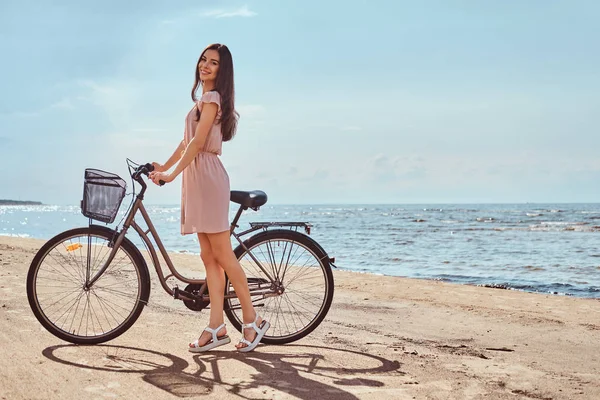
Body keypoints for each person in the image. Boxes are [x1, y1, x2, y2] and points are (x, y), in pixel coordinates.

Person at [149, 43, 270, 353]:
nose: (205, 65)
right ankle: (216, 327)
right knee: (209, 257)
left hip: (208, 177)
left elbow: (199, 142)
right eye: (203, 59)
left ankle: (252, 319)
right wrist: (164, 165)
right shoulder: (202, 101)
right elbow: (187, 140)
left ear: (222, 70)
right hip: (198, 176)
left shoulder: (212, 98)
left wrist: (171, 175)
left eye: (213, 63)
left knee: (223, 255)